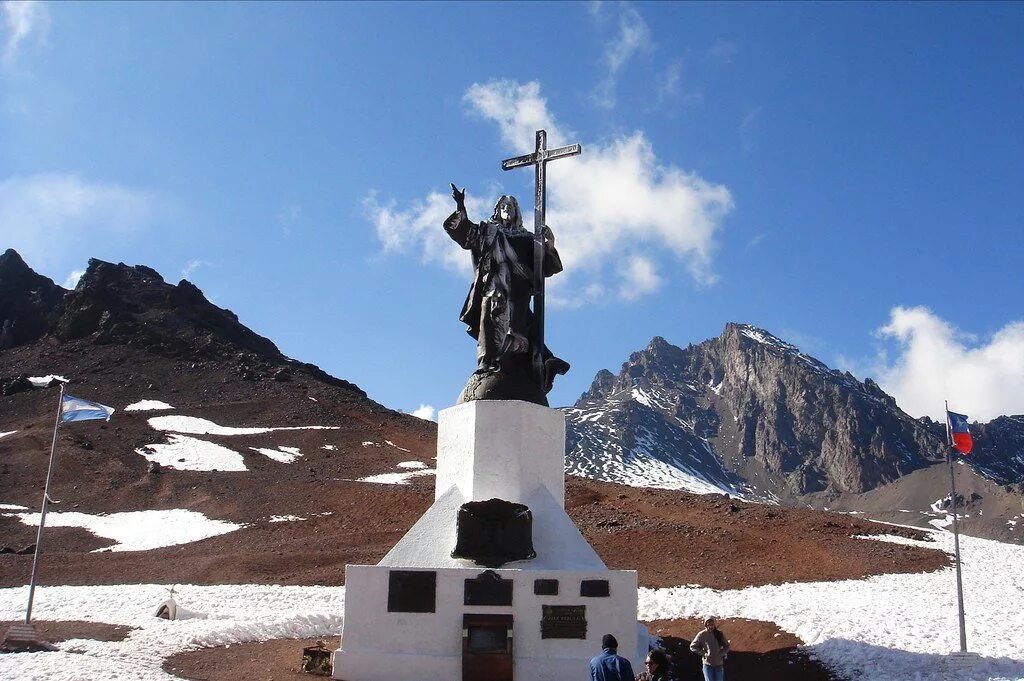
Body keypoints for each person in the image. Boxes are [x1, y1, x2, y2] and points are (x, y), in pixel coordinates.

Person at [444, 183, 569, 393]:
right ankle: (487, 365)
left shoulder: (528, 239)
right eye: (504, 207)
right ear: (498, 211)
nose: (507, 211)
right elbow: (466, 234)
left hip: (518, 291)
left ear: (517, 212)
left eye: (511, 207)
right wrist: (460, 205)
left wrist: (549, 243)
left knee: (517, 327)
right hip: (493, 286)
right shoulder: (488, 233)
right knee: (489, 322)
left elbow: (545, 267)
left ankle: (527, 366)